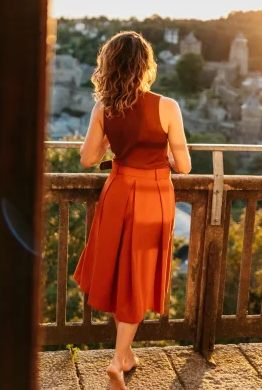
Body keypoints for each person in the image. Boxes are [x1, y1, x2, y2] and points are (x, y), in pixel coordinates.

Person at [74, 31, 192, 390]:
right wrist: (167, 156)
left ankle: (124, 356)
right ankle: (117, 359)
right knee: (138, 276)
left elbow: (88, 160)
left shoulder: (103, 108)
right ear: (146, 66)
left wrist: (111, 139)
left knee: (119, 272)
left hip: (118, 191)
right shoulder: (167, 106)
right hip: (154, 196)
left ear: (109, 66)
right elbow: (184, 166)